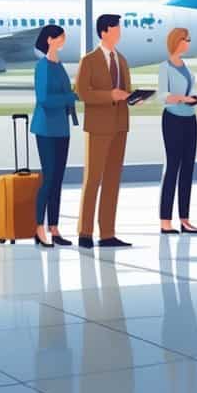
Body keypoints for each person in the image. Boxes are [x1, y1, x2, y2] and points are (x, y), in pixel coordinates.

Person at [75, 14, 134, 249]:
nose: (119, 32)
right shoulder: (89, 60)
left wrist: (132, 98)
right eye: (116, 28)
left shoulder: (122, 59)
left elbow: (124, 90)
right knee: (93, 180)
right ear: (104, 32)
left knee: (112, 181)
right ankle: (85, 232)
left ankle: (107, 233)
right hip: (98, 127)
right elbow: (82, 92)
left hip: (120, 125)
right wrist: (110, 95)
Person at [31, 24, 77, 248]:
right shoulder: (43, 66)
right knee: (49, 178)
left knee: (58, 179)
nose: (64, 39)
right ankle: (39, 227)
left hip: (62, 128)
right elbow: (44, 99)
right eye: (60, 36)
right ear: (50, 40)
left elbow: (65, 93)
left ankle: (54, 227)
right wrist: (69, 98)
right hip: (46, 129)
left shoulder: (60, 65)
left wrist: (71, 97)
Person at [158, 28, 197, 235]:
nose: (188, 43)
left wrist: (194, 99)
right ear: (177, 41)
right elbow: (162, 96)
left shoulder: (187, 66)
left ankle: (184, 219)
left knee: (188, 169)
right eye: (186, 39)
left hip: (190, 119)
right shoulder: (165, 67)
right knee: (173, 168)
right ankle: (165, 220)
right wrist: (183, 99)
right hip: (173, 119)